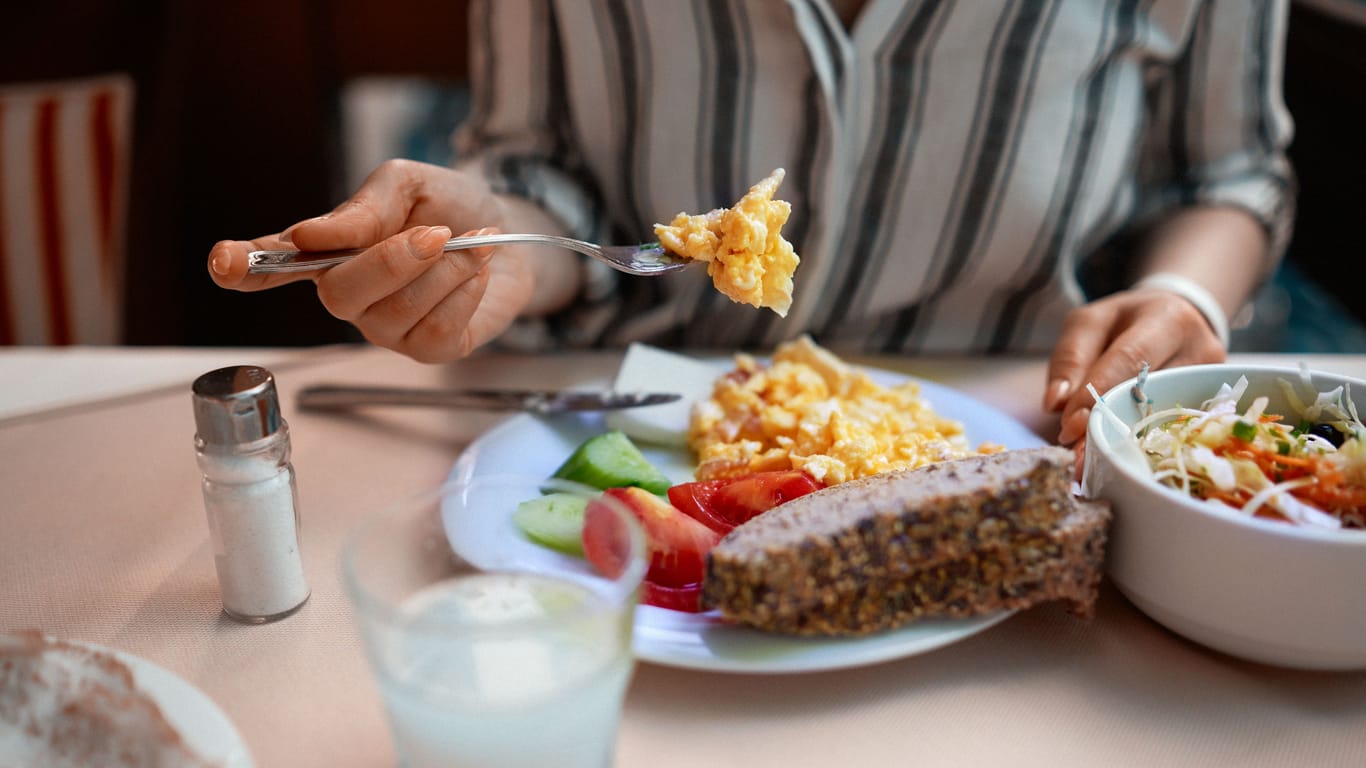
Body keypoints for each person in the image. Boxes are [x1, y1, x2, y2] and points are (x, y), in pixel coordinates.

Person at [207, 0, 1293, 451]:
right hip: (637, 430)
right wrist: (496, 245)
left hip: (1015, 434)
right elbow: (539, 167)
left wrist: (1184, 297)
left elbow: (1231, 171)